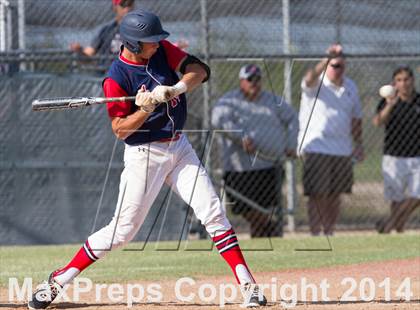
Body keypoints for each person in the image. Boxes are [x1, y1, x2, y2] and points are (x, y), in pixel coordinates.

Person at [28, 9, 266, 309]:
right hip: (145, 154)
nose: (157, 44)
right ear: (134, 43)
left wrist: (174, 89)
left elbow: (199, 70)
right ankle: (59, 280)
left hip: (179, 148)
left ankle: (249, 285)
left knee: (213, 212)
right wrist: (145, 109)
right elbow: (120, 130)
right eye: (150, 41)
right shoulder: (116, 78)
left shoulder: (162, 51)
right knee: (121, 232)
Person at [212, 64, 298, 238]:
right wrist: (241, 137)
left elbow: (292, 118)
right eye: (250, 79)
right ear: (241, 81)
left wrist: (291, 144)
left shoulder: (272, 100)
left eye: (258, 79)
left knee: (267, 210)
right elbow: (218, 120)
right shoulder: (229, 101)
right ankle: (270, 228)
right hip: (240, 169)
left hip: (269, 166)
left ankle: (263, 242)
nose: (254, 83)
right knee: (247, 210)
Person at [298, 44, 364, 236]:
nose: (337, 70)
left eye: (340, 66)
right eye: (333, 65)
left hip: (342, 149)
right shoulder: (317, 84)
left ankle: (329, 232)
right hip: (317, 146)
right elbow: (308, 79)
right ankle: (315, 233)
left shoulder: (350, 86)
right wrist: (326, 58)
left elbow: (356, 119)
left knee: (336, 194)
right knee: (317, 194)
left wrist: (359, 144)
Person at [373, 66, 420, 233]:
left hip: (417, 156)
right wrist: (390, 105)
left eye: (406, 79)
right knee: (396, 199)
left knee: (418, 195)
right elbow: (378, 122)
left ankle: (389, 224)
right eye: (399, 80)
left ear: (413, 80)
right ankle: (398, 231)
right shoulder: (389, 101)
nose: (403, 83)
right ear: (394, 83)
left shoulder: (418, 100)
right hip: (394, 157)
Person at [70, 0, 135, 58]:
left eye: (129, 4)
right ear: (115, 7)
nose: (127, 9)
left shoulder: (139, 29)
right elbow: (89, 53)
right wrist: (79, 50)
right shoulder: (106, 29)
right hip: (108, 69)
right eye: (123, 5)